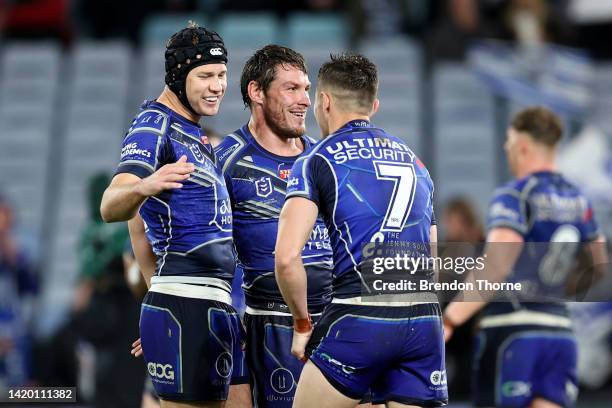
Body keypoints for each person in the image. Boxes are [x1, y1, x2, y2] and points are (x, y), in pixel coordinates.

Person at [275, 53, 448, 408]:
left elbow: (287, 258)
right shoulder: (416, 163)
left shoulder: (317, 159)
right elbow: (432, 254)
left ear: (323, 102)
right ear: (375, 104)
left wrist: (302, 324)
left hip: (361, 314)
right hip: (424, 322)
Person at [99, 23, 249, 407]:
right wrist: (141, 186)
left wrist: (159, 307)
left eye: (222, 75)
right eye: (205, 76)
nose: (218, 85)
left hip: (206, 307)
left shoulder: (194, 132)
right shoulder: (155, 123)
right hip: (187, 304)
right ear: (178, 77)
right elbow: (110, 205)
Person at [443, 107, 607, 408]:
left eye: (508, 142)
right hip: (560, 333)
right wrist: (553, 288)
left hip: (514, 333)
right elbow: (599, 265)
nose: (506, 149)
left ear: (523, 145)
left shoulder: (515, 194)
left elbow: (496, 265)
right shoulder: (578, 199)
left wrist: (451, 319)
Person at [215, 44, 333, 407]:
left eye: (306, 89)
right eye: (291, 89)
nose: (304, 101)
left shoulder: (323, 158)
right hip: (265, 328)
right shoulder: (226, 162)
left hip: (333, 323)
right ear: (256, 92)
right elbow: (197, 246)